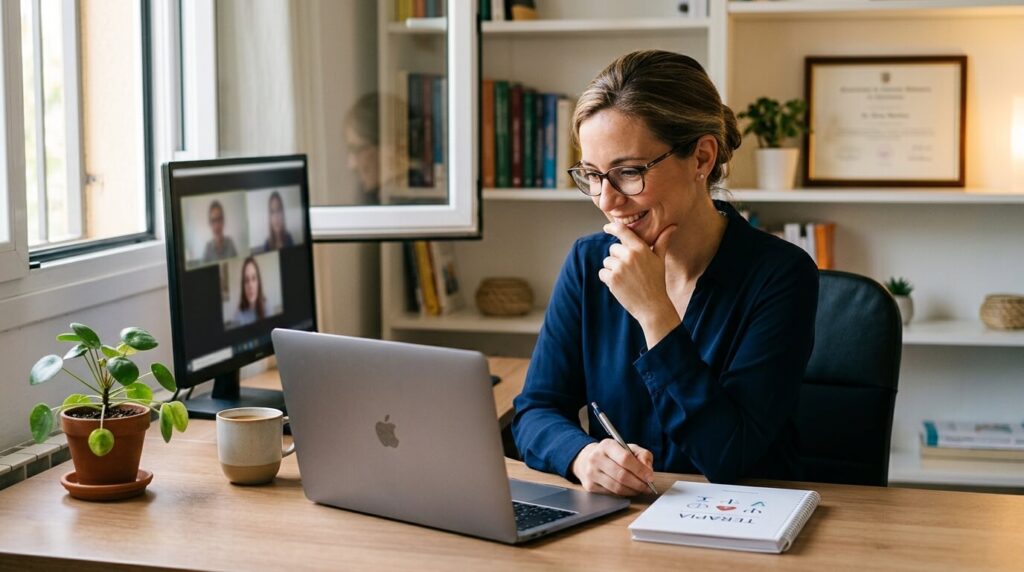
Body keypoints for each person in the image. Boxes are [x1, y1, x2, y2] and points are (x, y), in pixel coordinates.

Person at [511, 50, 819, 496]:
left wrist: (655, 312)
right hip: (620, 528)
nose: (606, 200)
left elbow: (729, 458)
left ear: (701, 158)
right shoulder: (587, 262)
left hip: (740, 530)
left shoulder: (782, 276)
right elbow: (536, 410)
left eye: (628, 172)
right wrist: (582, 456)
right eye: (593, 176)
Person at [234, 256, 266, 327]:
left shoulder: (266, 306)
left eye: (254, 278)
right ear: (243, 286)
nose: (250, 285)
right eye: (246, 280)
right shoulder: (238, 317)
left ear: (258, 282)